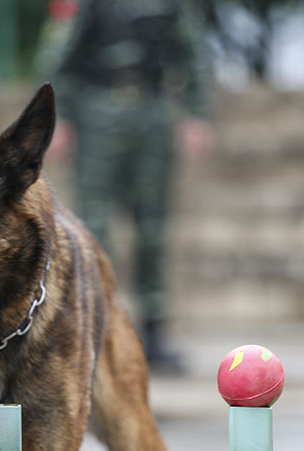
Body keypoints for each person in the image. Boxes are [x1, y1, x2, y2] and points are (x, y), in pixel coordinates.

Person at [44, 0, 214, 374]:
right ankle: (97, 330)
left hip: (152, 114)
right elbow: (61, 58)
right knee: (95, 227)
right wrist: (59, 120)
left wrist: (197, 115)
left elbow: (193, 56)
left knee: (152, 227)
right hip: (97, 117)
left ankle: (154, 333)